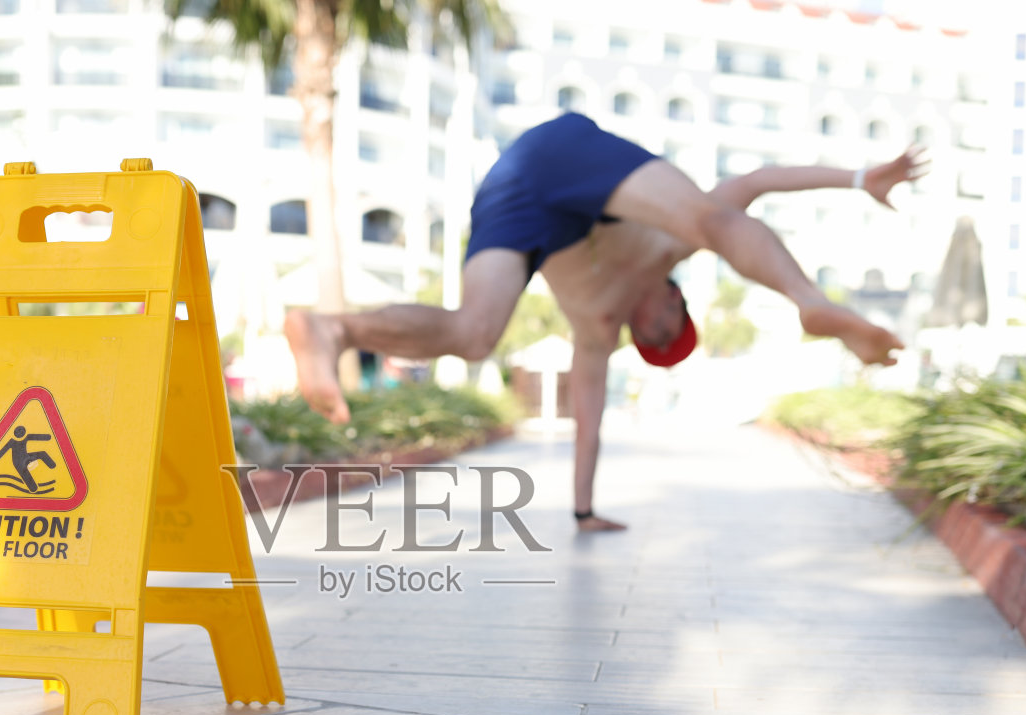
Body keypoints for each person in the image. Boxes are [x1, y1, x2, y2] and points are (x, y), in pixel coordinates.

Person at [286, 112, 926, 531]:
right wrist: (858, 177)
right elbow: (756, 181)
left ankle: (335, 329)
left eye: (644, 342)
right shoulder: (668, 245)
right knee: (711, 216)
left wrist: (584, 510)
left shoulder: (597, 326)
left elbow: (587, 422)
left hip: (522, 205)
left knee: (473, 333)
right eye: (657, 332)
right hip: (555, 157)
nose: (638, 330)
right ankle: (807, 299)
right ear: (675, 302)